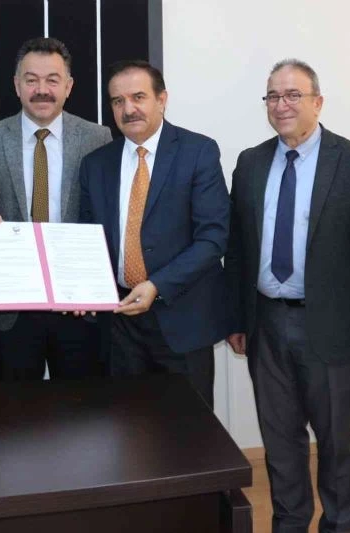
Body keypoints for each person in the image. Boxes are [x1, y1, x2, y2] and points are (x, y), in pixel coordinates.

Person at [225, 59, 350, 533]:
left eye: (293, 95)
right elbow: (238, 250)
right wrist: (236, 319)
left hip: (332, 325)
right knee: (280, 439)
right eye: (273, 96)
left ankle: (340, 524)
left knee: (338, 440)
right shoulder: (250, 163)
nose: (282, 105)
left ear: (318, 102)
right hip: (265, 323)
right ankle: (290, 522)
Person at [79, 60, 229, 407]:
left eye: (138, 97)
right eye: (118, 101)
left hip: (182, 322)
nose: (128, 109)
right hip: (118, 327)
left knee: (188, 429)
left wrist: (157, 285)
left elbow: (213, 237)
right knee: (127, 428)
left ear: (162, 100)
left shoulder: (198, 152)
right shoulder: (96, 164)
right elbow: (88, 239)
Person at [0, 37, 112, 381]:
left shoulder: (98, 138)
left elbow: (106, 217)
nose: (42, 90)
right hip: (12, 311)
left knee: (80, 407)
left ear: (69, 86)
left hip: (79, 308)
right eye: (31, 80)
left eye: (52, 80)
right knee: (16, 408)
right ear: (16, 85)